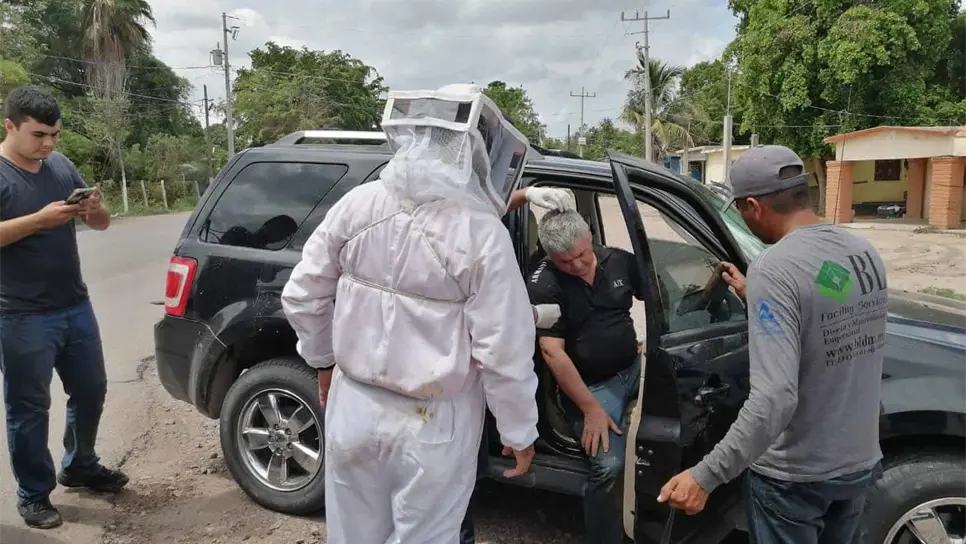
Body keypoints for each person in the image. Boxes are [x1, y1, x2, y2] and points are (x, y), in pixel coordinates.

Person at [281, 84, 570, 543]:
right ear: (474, 150)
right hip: (432, 425)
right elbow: (504, 350)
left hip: (352, 408)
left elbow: (300, 295)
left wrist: (323, 361)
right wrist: (519, 430)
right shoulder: (480, 233)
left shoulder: (358, 204)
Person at [657, 145, 887, 544]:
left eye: (740, 212)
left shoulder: (774, 267)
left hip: (796, 479)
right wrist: (758, 299)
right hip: (858, 462)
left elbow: (775, 398)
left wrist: (705, 475)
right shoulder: (861, 251)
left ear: (752, 206)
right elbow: (831, 311)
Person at [0, 86, 128, 530]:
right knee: (29, 408)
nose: (49, 144)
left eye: (54, 134)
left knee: (91, 389)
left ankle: (79, 464)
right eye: (38, 134)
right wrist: (39, 220)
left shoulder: (61, 166)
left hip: (74, 305)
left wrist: (93, 208)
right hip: (18, 315)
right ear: (10, 126)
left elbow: (101, 223)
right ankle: (34, 494)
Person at [527, 208, 646, 544]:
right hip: (591, 387)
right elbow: (553, 352)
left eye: (582, 255)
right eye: (566, 263)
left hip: (634, 365)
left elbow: (655, 296)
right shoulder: (544, 283)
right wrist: (591, 409)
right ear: (552, 258)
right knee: (609, 467)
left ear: (590, 238)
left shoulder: (620, 261)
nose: (577, 266)